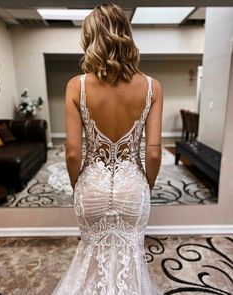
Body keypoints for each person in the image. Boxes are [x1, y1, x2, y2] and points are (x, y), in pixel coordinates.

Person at [52, 3, 163, 294]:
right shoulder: (153, 87)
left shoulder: (77, 86)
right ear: (126, 35)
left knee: (90, 260)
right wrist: (144, 185)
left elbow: (73, 152)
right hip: (132, 184)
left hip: (92, 184)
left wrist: (79, 184)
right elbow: (153, 152)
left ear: (91, 38)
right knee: (131, 263)